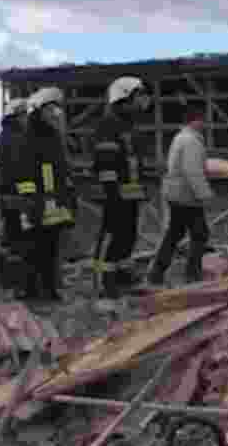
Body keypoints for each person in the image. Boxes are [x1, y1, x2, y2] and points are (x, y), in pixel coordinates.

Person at [92, 76, 151, 298]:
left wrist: (140, 187)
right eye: (139, 95)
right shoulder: (108, 124)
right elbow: (105, 163)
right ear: (124, 97)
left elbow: (133, 161)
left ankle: (123, 275)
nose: (144, 100)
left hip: (131, 191)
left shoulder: (130, 125)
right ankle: (104, 282)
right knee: (112, 235)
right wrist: (112, 191)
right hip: (115, 193)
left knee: (128, 235)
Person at [146, 102, 213, 285]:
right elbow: (192, 171)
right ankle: (192, 273)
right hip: (186, 196)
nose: (205, 124)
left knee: (175, 233)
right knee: (199, 234)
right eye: (202, 120)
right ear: (196, 121)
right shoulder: (191, 141)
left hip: (177, 194)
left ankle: (157, 272)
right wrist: (204, 194)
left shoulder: (181, 137)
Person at [23, 87, 76, 301]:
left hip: (54, 197)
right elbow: (25, 170)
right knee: (37, 246)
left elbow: (59, 167)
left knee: (52, 245)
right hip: (39, 199)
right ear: (39, 110)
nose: (55, 113)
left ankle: (50, 289)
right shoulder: (29, 136)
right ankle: (33, 290)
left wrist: (66, 192)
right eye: (50, 109)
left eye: (57, 108)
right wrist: (30, 200)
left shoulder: (53, 136)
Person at [0, 98, 32, 293]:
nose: (27, 119)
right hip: (16, 196)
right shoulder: (15, 139)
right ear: (15, 117)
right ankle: (16, 283)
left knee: (10, 238)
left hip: (8, 195)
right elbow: (20, 170)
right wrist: (29, 194)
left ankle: (5, 280)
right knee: (19, 240)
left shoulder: (5, 137)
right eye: (23, 115)